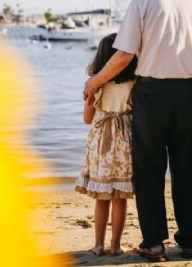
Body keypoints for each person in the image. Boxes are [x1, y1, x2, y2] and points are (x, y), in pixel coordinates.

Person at [83, 0, 192, 261]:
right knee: (187, 170)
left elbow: (124, 55)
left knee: (150, 170)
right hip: (189, 94)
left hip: (151, 94)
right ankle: (190, 240)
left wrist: (95, 81)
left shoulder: (142, 2)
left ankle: (153, 243)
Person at [75, 33, 138, 257]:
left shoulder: (96, 86)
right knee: (119, 197)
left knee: (102, 198)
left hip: (101, 142)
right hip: (125, 142)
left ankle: (99, 245)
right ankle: (117, 246)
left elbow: (87, 119)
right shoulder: (134, 83)